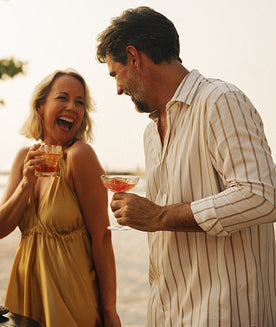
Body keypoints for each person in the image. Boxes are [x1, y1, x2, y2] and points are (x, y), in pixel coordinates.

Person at [96, 6, 276, 326]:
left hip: (224, 314)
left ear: (134, 57)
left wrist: (160, 215)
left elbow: (262, 195)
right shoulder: (151, 133)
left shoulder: (219, 100)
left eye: (115, 73)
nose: (118, 89)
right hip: (168, 313)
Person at [0, 69, 121, 327]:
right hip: (27, 297)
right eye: (62, 98)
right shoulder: (23, 159)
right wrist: (26, 184)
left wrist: (109, 311)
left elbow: (102, 237)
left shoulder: (80, 157)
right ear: (41, 106)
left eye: (80, 102)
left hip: (72, 299)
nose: (72, 107)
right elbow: (0, 228)